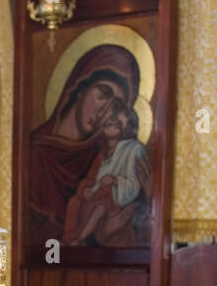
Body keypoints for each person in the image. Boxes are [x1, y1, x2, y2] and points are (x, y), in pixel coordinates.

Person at [29, 43, 141, 254]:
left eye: (116, 106)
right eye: (104, 94)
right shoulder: (35, 154)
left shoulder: (102, 159)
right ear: (79, 86)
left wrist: (105, 234)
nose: (105, 111)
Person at [62, 106, 152, 247]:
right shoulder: (102, 154)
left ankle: (80, 240)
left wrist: (114, 180)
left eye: (117, 124)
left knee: (100, 207)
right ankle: (69, 240)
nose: (111, 123)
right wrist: (85, 189)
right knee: (74, 202)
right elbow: (90, 179)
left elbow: (135, 185)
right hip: (94, 196)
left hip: (112, 201)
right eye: (110, 121)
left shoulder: (132, 150)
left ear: (127, 129)